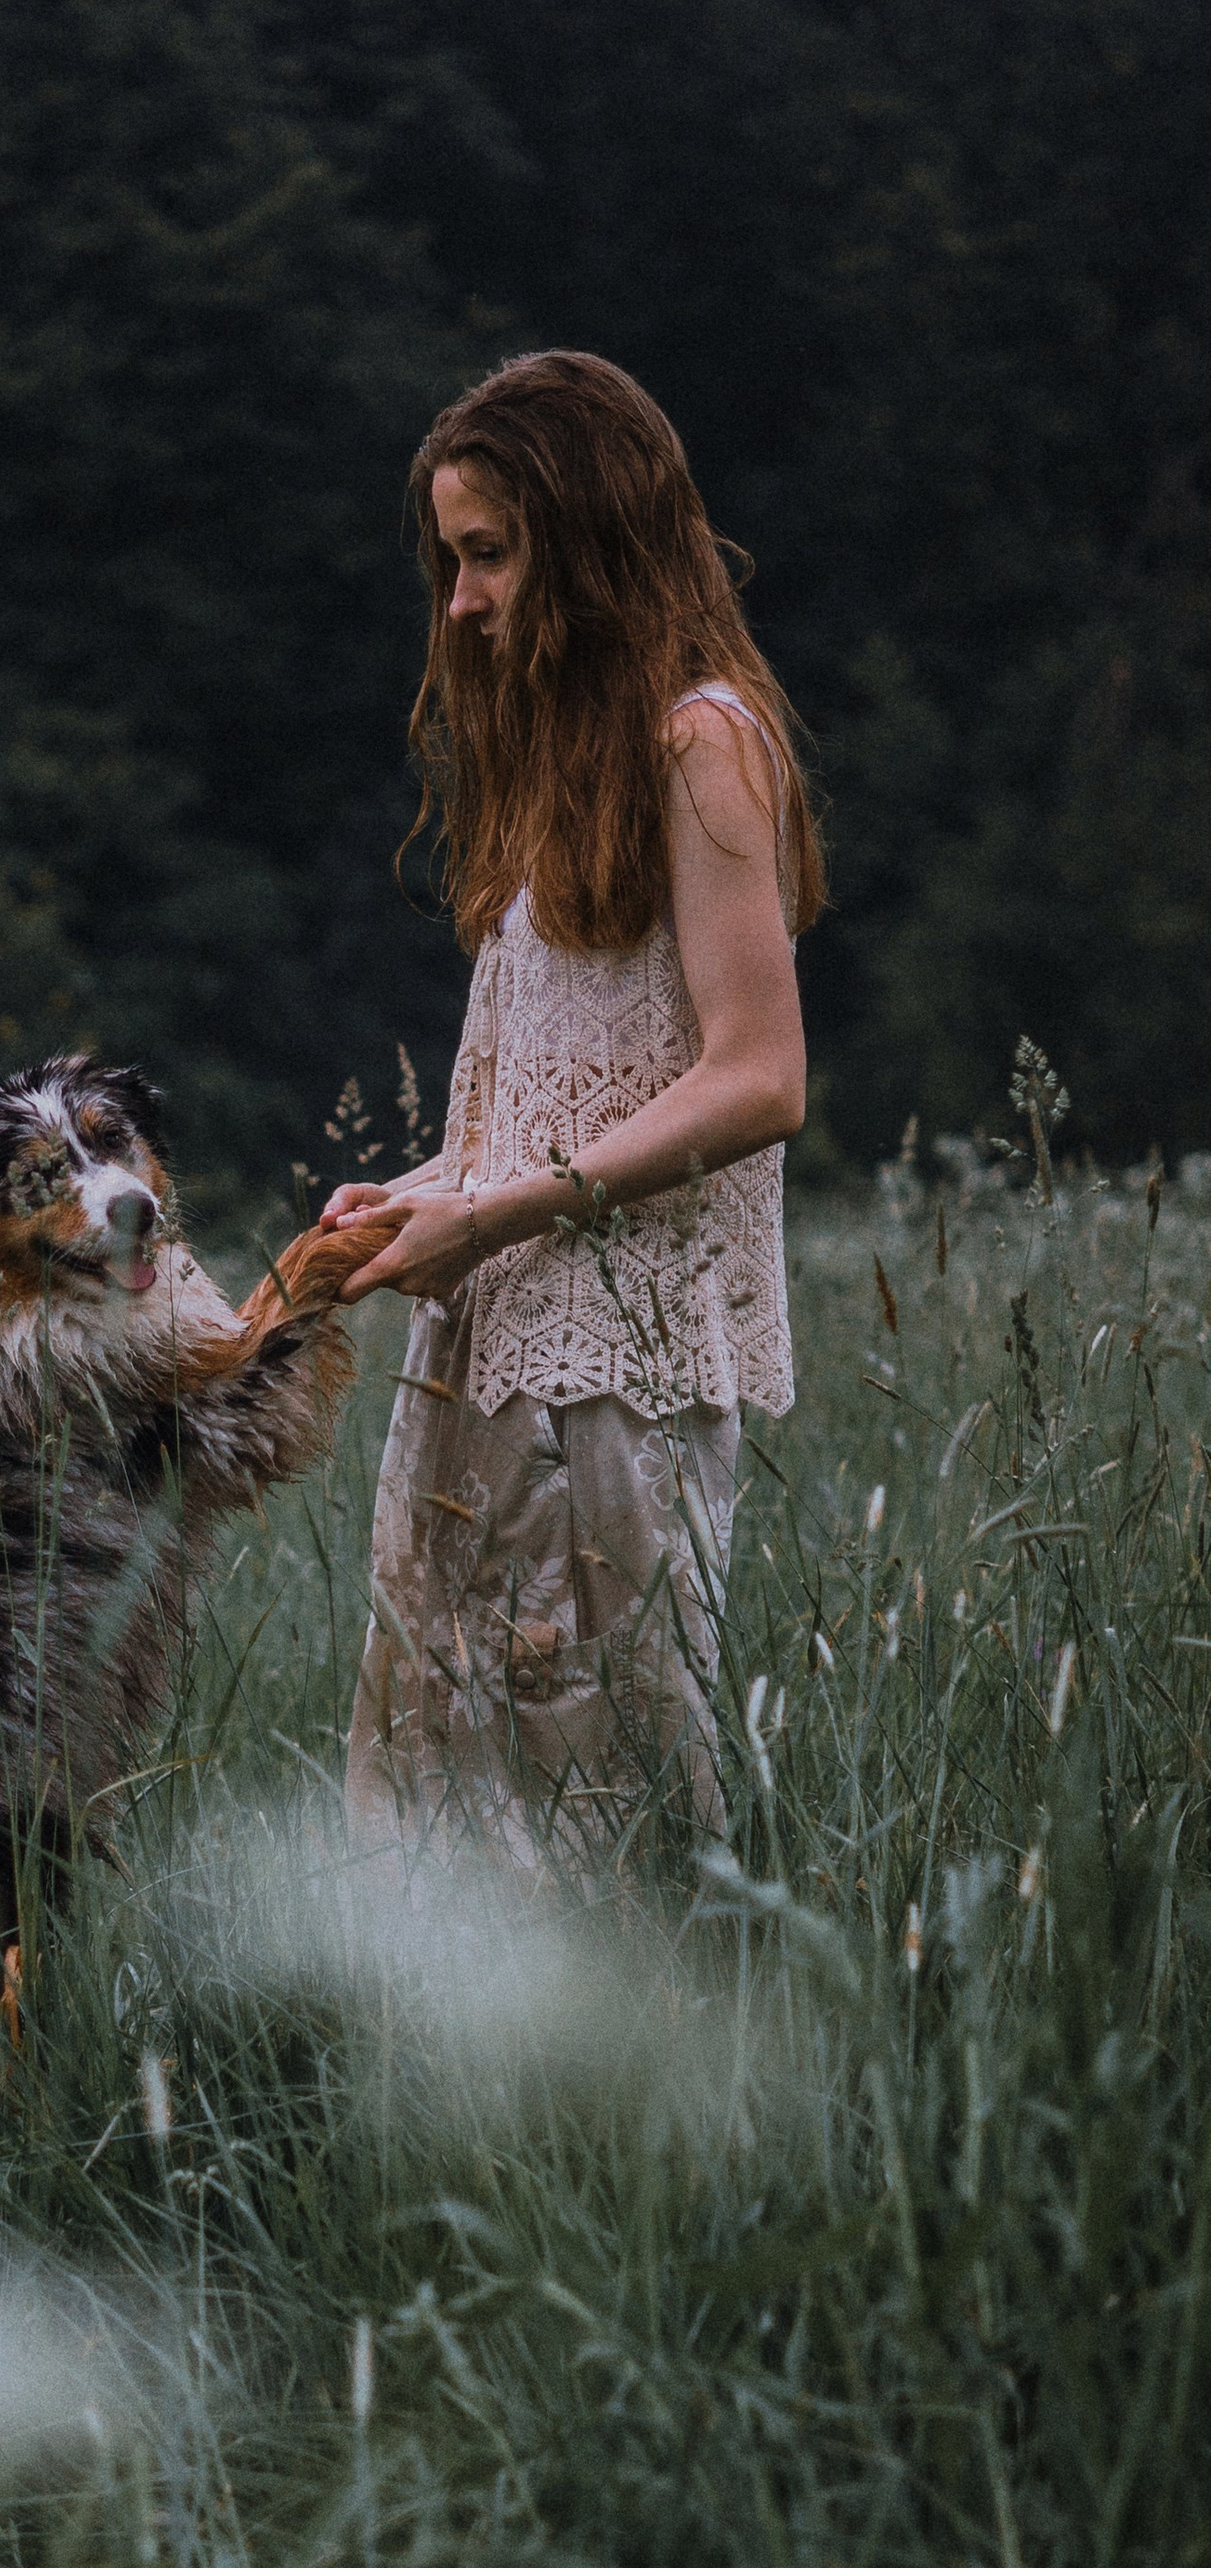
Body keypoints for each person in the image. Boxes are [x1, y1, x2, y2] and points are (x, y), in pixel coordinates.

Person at [321, 349, 823, 1875]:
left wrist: (490, 1212)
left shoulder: (703, 740)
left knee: (610, 1814)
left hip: (619, 1375)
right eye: (450, 561)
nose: (461, 602)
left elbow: (761, 1076)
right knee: (456, 1808)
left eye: (490, 554)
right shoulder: (574, 763)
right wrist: (424, 1196)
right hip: (494, 1358)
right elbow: (562, 1102)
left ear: (590, 539)